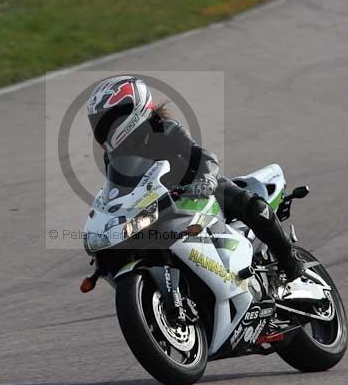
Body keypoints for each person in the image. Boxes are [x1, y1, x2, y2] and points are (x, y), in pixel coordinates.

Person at [87, 75, 305, 280]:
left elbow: (204, 157)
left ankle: (291, 262)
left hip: (199, 189)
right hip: (162, 206)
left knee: (254, 207)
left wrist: (206, 181)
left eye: (113, 119)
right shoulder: (113, 157)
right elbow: (119, 193)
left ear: (135, 108)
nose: (107, 128)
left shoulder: (164, 129)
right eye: (101, 123)